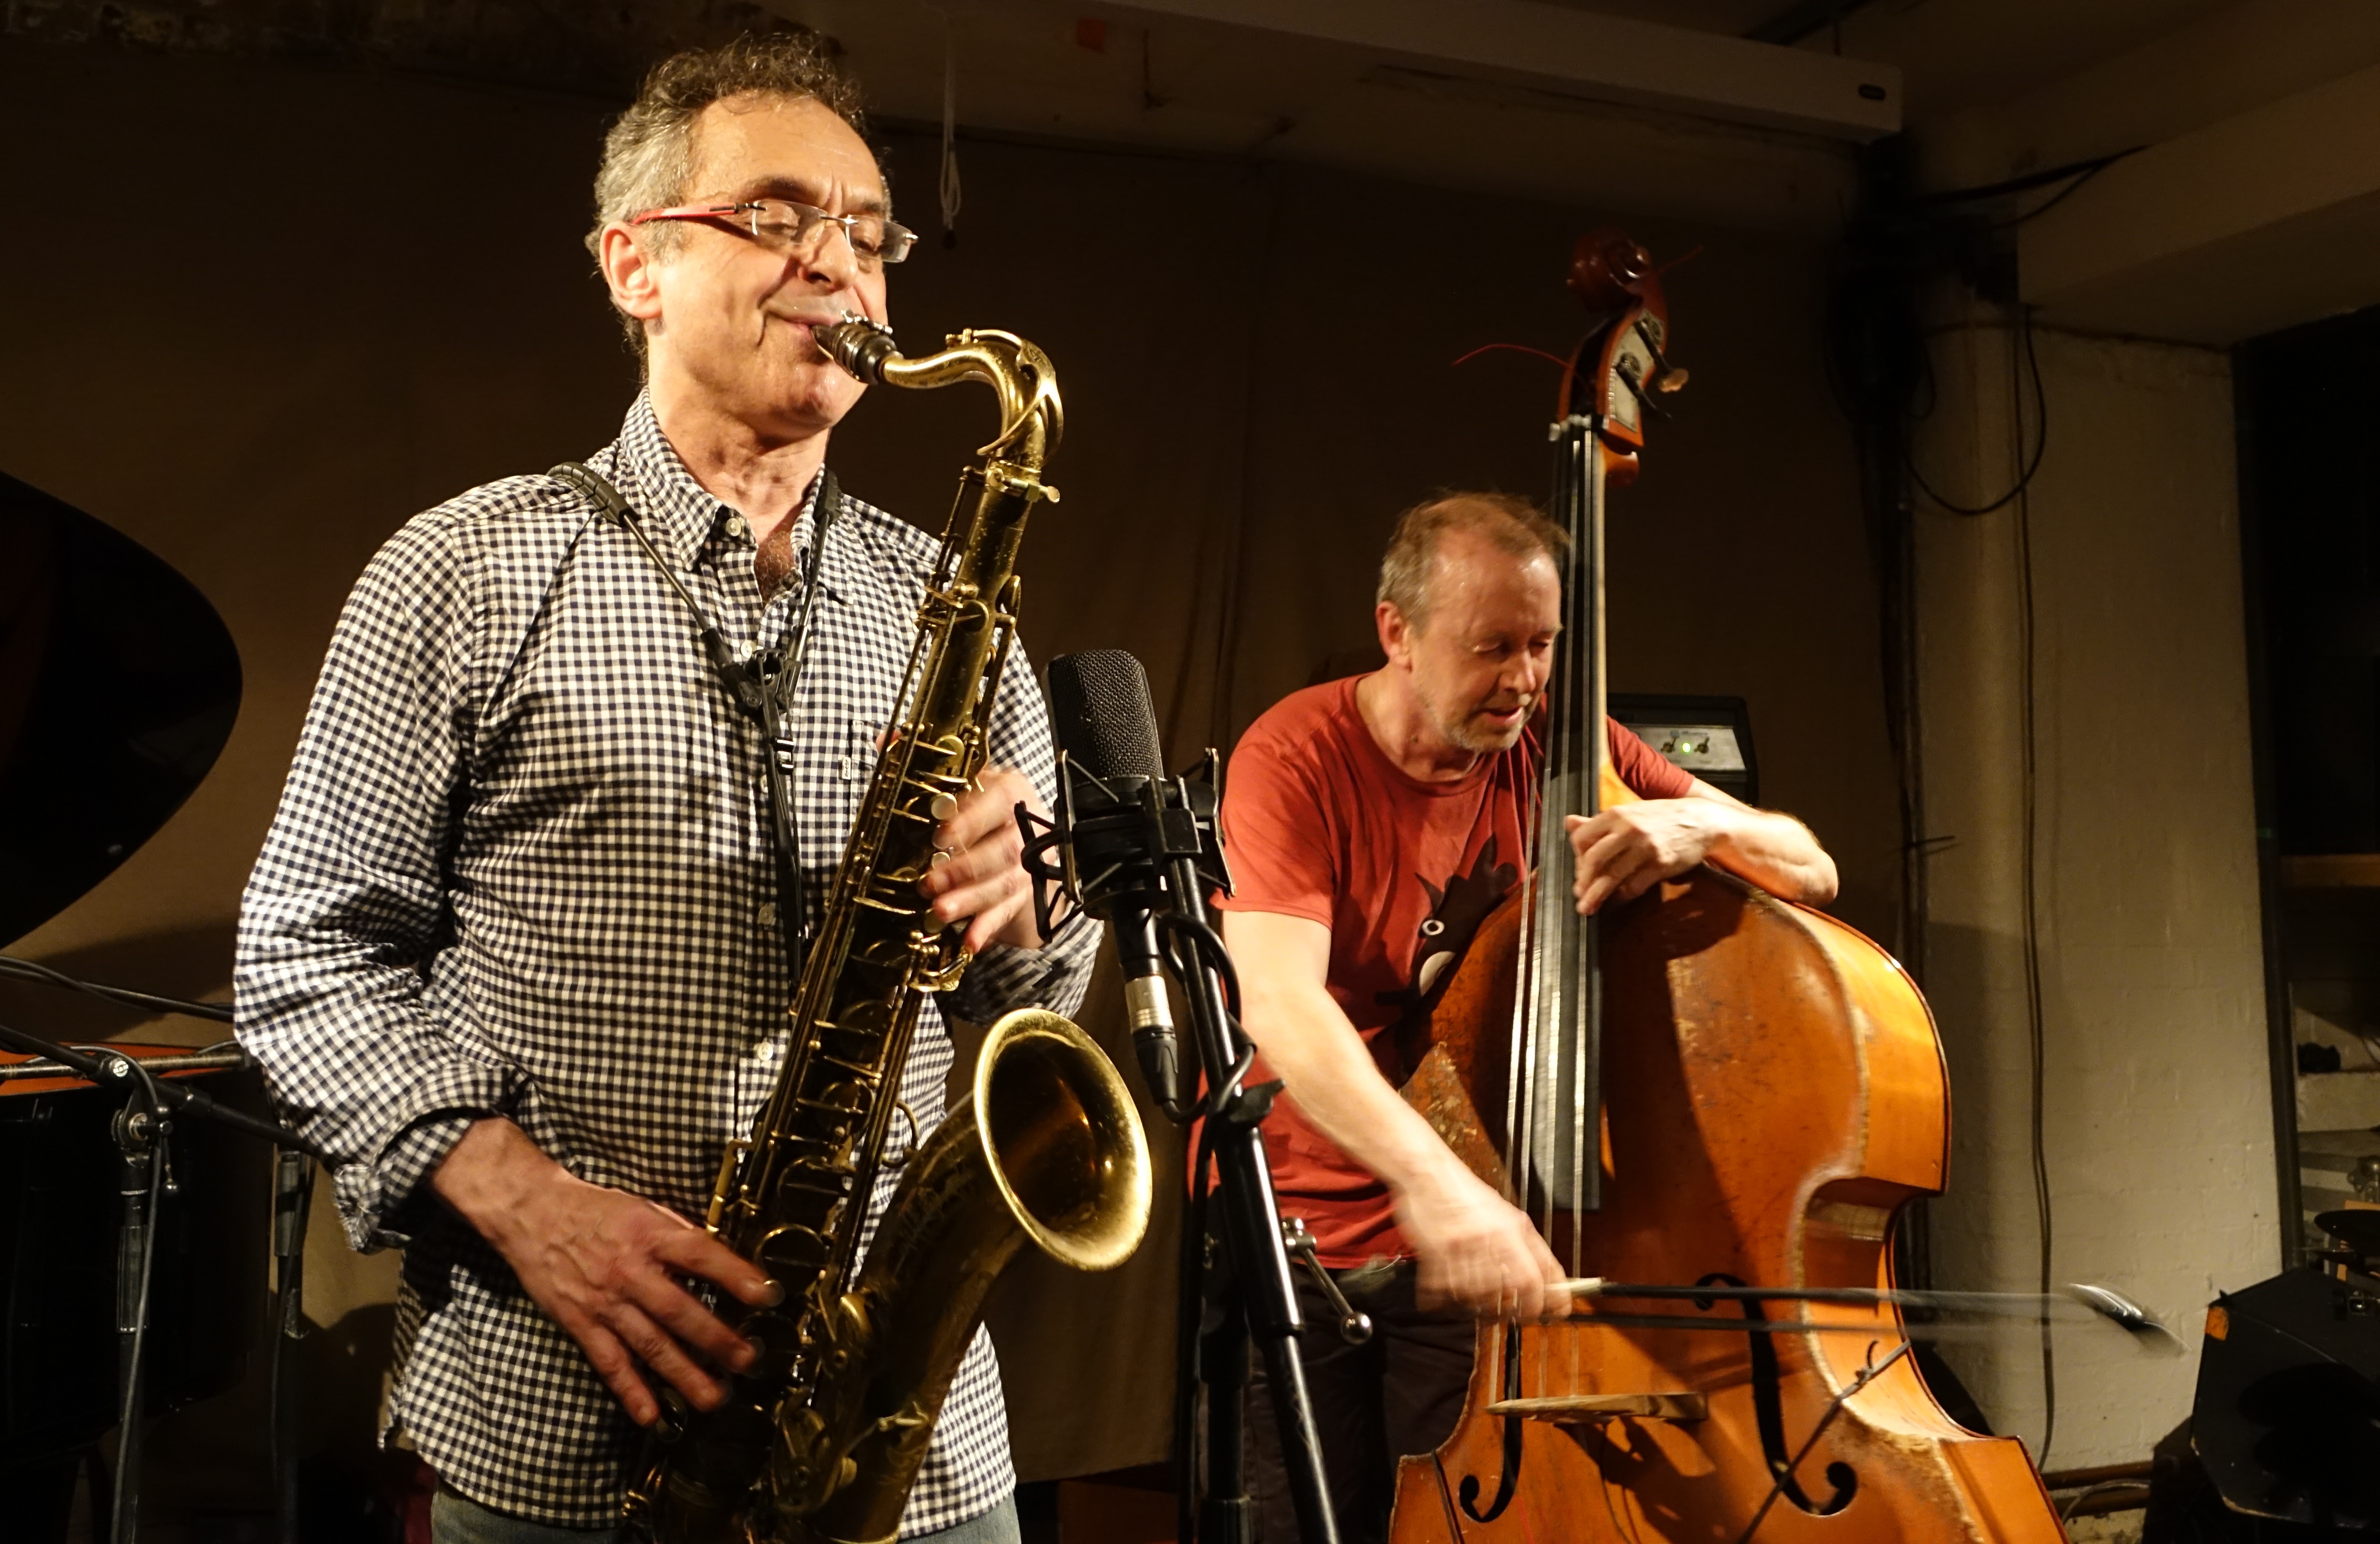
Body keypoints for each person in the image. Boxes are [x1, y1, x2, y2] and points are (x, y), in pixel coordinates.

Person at [234, 33, 1087, 1544]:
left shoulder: (947, 590)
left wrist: (1033, 894)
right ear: (635, 267)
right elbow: (303, 956)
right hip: (570, 1412)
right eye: (776, 216)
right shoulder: (465, 569)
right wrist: (521, 1199)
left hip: (913, 1437)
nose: (843, 268)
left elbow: (1041, 998)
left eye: (872, 235)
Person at [1215, 492, 1839, 1542]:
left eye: (1542, 645)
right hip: (1307, 1233)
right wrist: (1434, 1187)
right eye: (1490, 647)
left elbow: (1810, 866)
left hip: (1480, 1232)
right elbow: (1277, 1001)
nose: (1522, 679)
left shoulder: (1561, 738)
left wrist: (1690, 824)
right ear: (1396, 631)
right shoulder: (1293, 755)